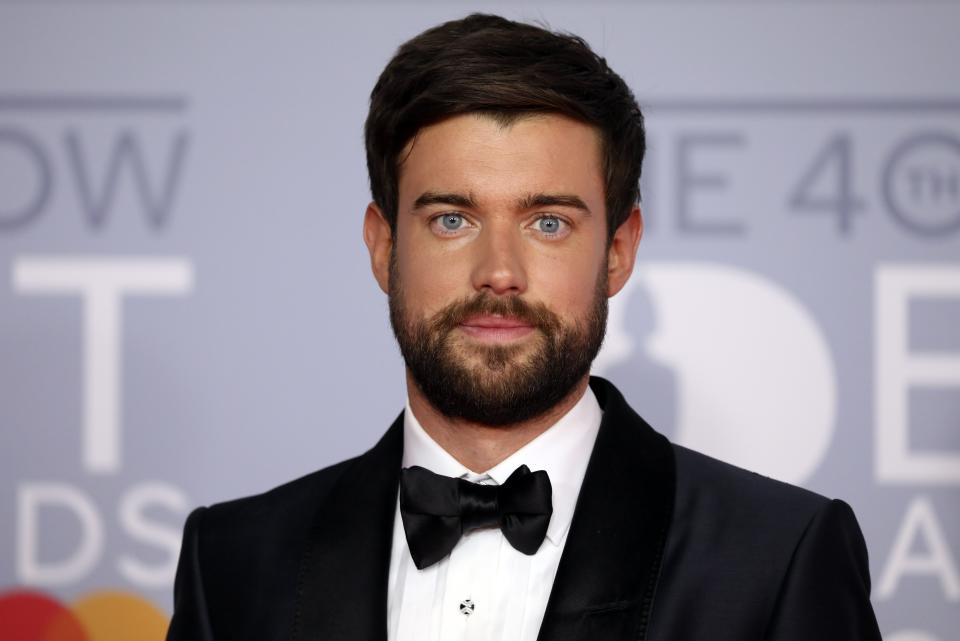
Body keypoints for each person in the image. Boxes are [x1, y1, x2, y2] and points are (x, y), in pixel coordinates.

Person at [166, 13, 882, 641]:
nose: (498, 272)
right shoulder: (231, 562)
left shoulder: (778, 558)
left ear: (618, 252)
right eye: (452, 219)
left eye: (547, 222)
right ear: (384, 248)